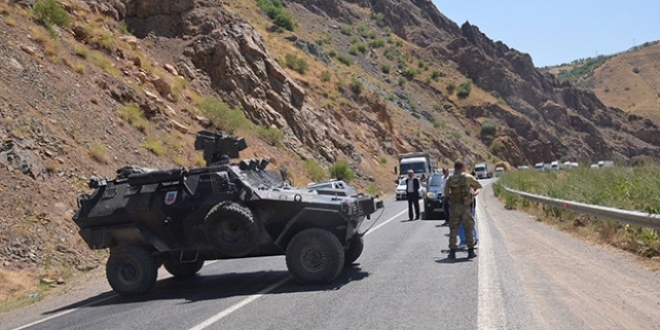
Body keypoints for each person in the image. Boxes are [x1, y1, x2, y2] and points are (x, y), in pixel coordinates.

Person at [443, 161, 482, 259]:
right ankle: (470, 251)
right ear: (462, 168)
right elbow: (479, 185)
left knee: (453, 230)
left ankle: (452, 252)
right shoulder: (467, 177)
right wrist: (471, 190)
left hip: (454, 207)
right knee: (468, 228)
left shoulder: (450, 179)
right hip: (465, 206)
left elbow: (446, 193)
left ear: (455, 168)